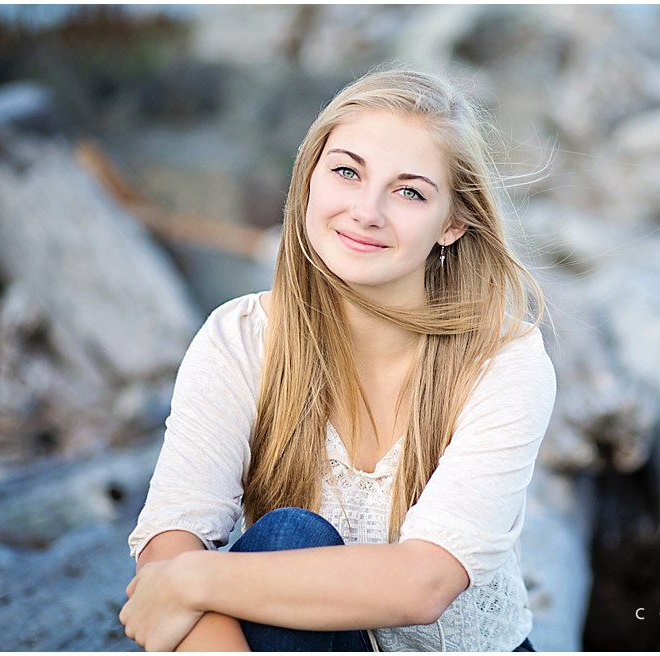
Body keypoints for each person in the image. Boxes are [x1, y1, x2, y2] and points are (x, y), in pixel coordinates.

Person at [119, 67, 557, 652]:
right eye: (347, 172)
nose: (366, 211)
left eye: (409, 191)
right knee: (287, 537)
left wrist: (196, 580)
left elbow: (426, 582)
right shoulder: (242, 338)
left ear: (452, 223)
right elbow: (169, 545)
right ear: (308, 182)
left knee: (277, 543)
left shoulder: (501, 361)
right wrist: (182, 583)